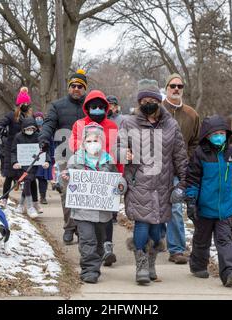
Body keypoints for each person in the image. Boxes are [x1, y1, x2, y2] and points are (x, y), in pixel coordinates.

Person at [119, 79, 188, 285]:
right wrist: (124, 154)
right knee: (142, 224)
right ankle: (140, 266)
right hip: (138, 183)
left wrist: (183, 183)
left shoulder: (171, 125)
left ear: (159, 101)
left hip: (163, 185)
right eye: (144, 100)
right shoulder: (127, 122)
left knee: (157, 229)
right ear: (139, 103)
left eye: (152, 99)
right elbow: (116, 148)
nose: (148, 103)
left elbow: (180, 156)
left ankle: (151, 263)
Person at [60, 122, 127, 284]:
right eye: (88, 141)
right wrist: (66, 179)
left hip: (102, 212)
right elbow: (68, 185)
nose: (92, 144)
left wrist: (120, 186)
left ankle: (95, 262)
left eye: (95, 140)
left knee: (98, 241)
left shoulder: (108, 159)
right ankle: (89, 270)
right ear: (83, 142)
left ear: (102, 142)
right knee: (87, 239)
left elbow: (118, 179)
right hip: (82, 210)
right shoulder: (75, 159)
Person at [185, 115, 232, 287]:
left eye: (222, 133)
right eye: (215, 134)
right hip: (204, 207)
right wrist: (191, 200)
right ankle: (197, 266)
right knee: (201, 240)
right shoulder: (200, 154)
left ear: (227, 134)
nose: (219, 136)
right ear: (207, 136)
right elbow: (193, 180)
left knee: (224, 240)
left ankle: (230, 272)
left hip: (225, 207)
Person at [69, 90, 122, 265]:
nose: (97, 109)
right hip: (86, 171)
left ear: (106, 108)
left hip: (106, 171)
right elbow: (73, 144)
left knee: (106, 213)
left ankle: (107, 246)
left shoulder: (113, 126)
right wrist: (89, 149)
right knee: (88, 216)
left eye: (101, 106)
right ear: (87, 108)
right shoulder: (79, 124)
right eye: (94, 106)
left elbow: (115, 148)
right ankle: (90, 249)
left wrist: (118, 176)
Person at [39, 69, 87, 245]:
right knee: (67, 193)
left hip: (87, 156)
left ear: (84, 88)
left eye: (80, 86)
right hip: (64, 155)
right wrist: (44, 137)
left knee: (83, 193)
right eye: (73, 85)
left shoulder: (90, 106)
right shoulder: (57, 106)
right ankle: (69, 227)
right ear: (69, 87)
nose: (76, 89)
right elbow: (49, 123)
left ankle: (83, 229)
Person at [162, 73, 201, 265]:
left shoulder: (191, 114)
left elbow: (195, 141)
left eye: (180, 86)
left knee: (176, 207)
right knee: (155, 206)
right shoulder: (156, 110)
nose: (176, 89)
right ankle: (155, 239)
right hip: (156, 169)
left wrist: (188, 159)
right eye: (172, 86)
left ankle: (176, 249)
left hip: (179, 169)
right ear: (166, 88)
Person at [0, 87, 33, 208]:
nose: (25, 105)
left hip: (25, 149)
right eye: (23, 103)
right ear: (19, 104)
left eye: (27, 103)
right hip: (11, 149)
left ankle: (25, 203)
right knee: (10, 177)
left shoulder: (29, 118)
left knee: (26, 177)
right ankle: (4, 200)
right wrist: (2, 130)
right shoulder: (11, 115)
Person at [12, 117, 50, 218]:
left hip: (34, 163)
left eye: (32, 129)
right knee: (28, 180)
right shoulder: (18, 137)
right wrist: (15, 162)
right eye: (28, 129)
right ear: (23, 128)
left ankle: (24, 205)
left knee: (30, 181)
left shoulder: (39, 136)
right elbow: (14, 151)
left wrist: (46, 160)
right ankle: (30, 206)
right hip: (22, 164)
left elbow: (44, 149)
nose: (30, 131)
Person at [33, 112, 54, 205]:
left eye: (40, 117)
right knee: (32, 178)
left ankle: (43, 197)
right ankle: (33, 198)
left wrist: (52, 157)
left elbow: (52, 145)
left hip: (45, 156)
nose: (38, 119)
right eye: (36, 118)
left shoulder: (48, 130)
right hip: (33, 156)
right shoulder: (31, 130)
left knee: (43, 178)